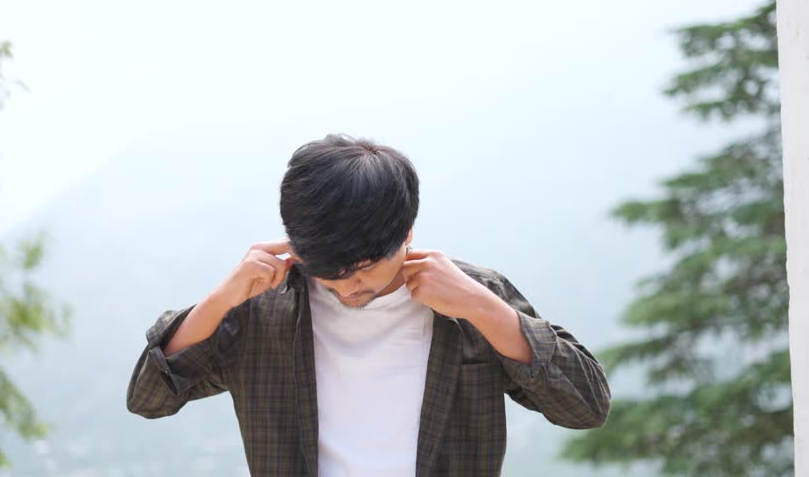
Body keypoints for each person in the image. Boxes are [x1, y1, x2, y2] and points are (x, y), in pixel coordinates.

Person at [126, 134, 611, 477]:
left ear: (407, 233)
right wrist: (221, 299)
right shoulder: (263, 308)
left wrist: (483, 308)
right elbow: (149, 398)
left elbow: (586, 406)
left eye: (363, 268)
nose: (346, 287)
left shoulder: (472, 295)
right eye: (327, 270)